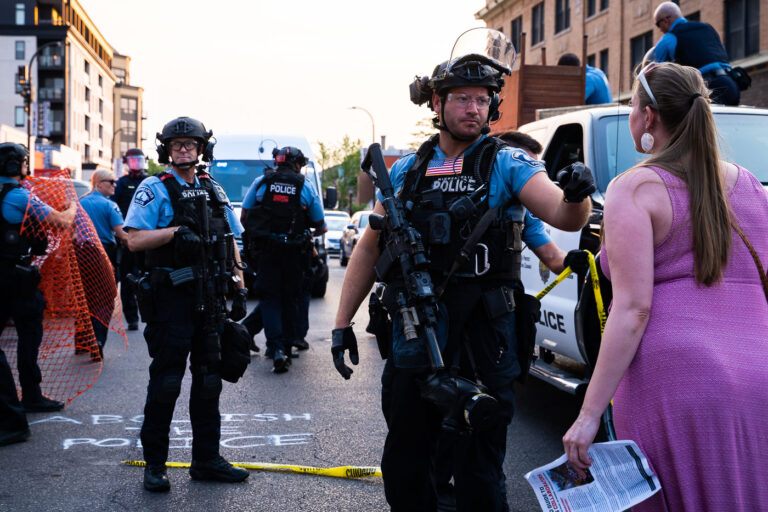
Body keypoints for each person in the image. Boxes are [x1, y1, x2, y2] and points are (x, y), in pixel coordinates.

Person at [332, 39, 594, 511]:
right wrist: (339, 323)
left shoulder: (509, 162)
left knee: (479, 465)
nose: (473, 108)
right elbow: (369, 248)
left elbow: (563, 214)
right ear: (436, 103)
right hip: (417, 332)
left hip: (484, 336)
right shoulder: (408, 170)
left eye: (482, 98)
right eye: (461, 98)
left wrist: (577, 195)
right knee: (407, 458)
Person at [562, 62, 768, 511]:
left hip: (678, 383)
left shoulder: (635, 188)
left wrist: (588, 414)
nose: (632, 114)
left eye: (633, 105)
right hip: (760, 377)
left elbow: (633, 309)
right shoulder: (753, 187)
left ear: (649, 117)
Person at [123, 117, 249, 492]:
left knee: (210, 382)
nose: (183, 149)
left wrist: (240, 284)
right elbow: (134, 240)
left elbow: (230, 239)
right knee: (166, 383)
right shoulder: (153, 187)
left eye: (190, 144)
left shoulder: (212, 188)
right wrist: (175, 232)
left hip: (210, 300)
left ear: (201, 149)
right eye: (176, 144)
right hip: (171, 301)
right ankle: (155, 466)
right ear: (166, 149)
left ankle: (207, 459)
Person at [0, 142, 76, 420]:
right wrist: (70, 208)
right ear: (14, 165)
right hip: (16, 277)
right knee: (29, 336)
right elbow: (60, 222)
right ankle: (30, 395)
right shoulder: (18, 195)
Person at [240, 147, 326, 373]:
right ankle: (286, 348)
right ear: (298, 164)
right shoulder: (304, 185)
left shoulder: (261, 182)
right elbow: (321, 224)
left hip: (267, 252)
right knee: (290, 299)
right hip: (295, 253)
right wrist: (305, 232)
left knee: (270, 299)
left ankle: (275, 347)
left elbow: (245, 215)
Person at [79, 170, 127, 358]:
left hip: (81, 253)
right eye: (111, 182)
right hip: (103, 254)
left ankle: (82, 342)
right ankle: (98, 340)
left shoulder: (79, 203)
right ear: (98, 184)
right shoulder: (109, 205)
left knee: (85, 298)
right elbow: (121, 233)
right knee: (105, 300)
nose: (115, 185)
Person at [652, 1, 740, 106]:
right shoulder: (708, 28)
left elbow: (657, 75)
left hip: (705, 89)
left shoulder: (667, 39)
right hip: (731, 84)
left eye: (658, 24)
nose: (660, 29)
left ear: (666, 20)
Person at [112, 148, 149, 331]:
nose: (137, 163)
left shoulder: (150, 181)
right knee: (128, 279)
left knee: (150, 275)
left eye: (139, 160)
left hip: (149, 236)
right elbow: (113, 207)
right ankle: (132, 318)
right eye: (133, 160)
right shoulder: (122, 183)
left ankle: (150, 313)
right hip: (127, 238)